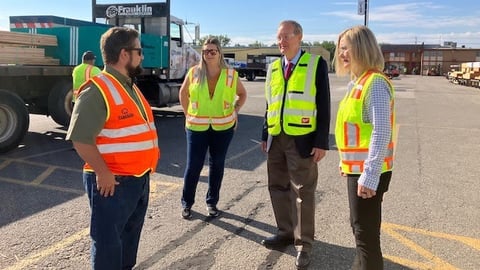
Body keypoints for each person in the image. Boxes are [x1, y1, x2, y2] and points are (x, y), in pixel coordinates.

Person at [66, 27, 160, 270]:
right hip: (113, 183)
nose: (142, 57)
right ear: (124, 54)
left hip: (137, 179)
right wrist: (102, 172)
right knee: (108, 245)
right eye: (139, 52)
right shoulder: (97, 89)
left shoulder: (130, 86)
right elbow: (80, 138)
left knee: (128, 243)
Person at [261, 20, 331, 269]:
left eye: (285, 37)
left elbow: (323, 104)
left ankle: (304, 244)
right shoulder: (273, 67)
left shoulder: (315, 64)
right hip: (276, 137)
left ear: (299, 37)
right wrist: (264, 134)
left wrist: (322, 141)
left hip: (302, 139)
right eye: (278, 38)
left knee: (303, 192)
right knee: (277, 187)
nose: (281, 42)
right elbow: (270, 102)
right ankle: (285, 233)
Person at [334, 25, 395, 270]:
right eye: (340, 50)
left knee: (366, 237)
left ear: (362, 48)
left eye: (346, 48)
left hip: (369, 173)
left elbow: (381, 131)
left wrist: (369, 175)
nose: (342, 54)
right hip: (357, 170)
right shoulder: (358, 82)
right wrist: (345, 163)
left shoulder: (375, 84)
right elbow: (353, 131)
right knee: (360, 231)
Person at [179, 37, 247, 219]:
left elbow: (242, 94)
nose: (208, 54)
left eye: (212, 51)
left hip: (223, 127)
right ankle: (187, 203)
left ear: (219, 54)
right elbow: (183, 93)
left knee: (217, 165)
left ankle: (211, 202)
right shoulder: (194, 72)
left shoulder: (231, 75)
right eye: (205, 51)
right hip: (196, 127)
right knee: (194, 165)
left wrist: (235, 111)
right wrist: (188, 114)